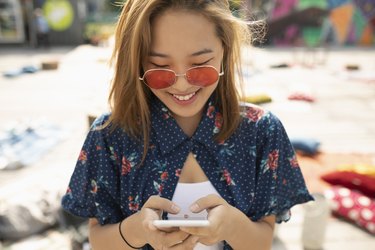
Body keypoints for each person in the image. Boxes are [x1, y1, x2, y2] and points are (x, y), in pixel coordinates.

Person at [61, 0, 313, 249]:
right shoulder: (110, 136)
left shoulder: (262, 132)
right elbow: (98, 240)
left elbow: (262, 241)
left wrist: (233, 226)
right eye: (160, 67)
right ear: (136, 62)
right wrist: (138, 231)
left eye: (200, 64)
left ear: (225, 49)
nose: (181, 85)